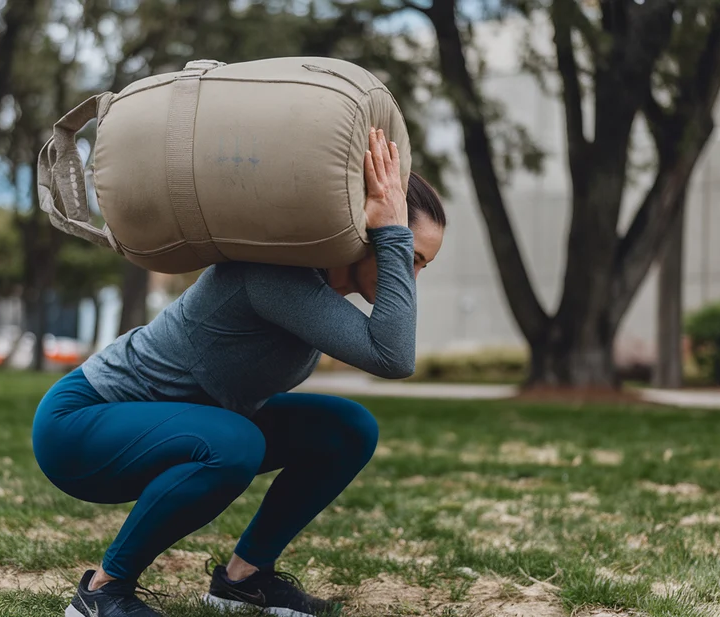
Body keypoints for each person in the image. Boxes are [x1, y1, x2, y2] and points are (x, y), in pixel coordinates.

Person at [32, 128, 447, 617]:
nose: (409, 277)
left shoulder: (317, 291)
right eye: (407, 258)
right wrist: (392, 233)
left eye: (420, 264)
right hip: (81, 425)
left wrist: (391, 238)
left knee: (348, 428)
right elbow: (394, 356)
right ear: (368, 231)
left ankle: (243, 582)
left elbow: (392, 351)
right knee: (235, 442)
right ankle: (101, 594)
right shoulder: (274, 275)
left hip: (184, 425)